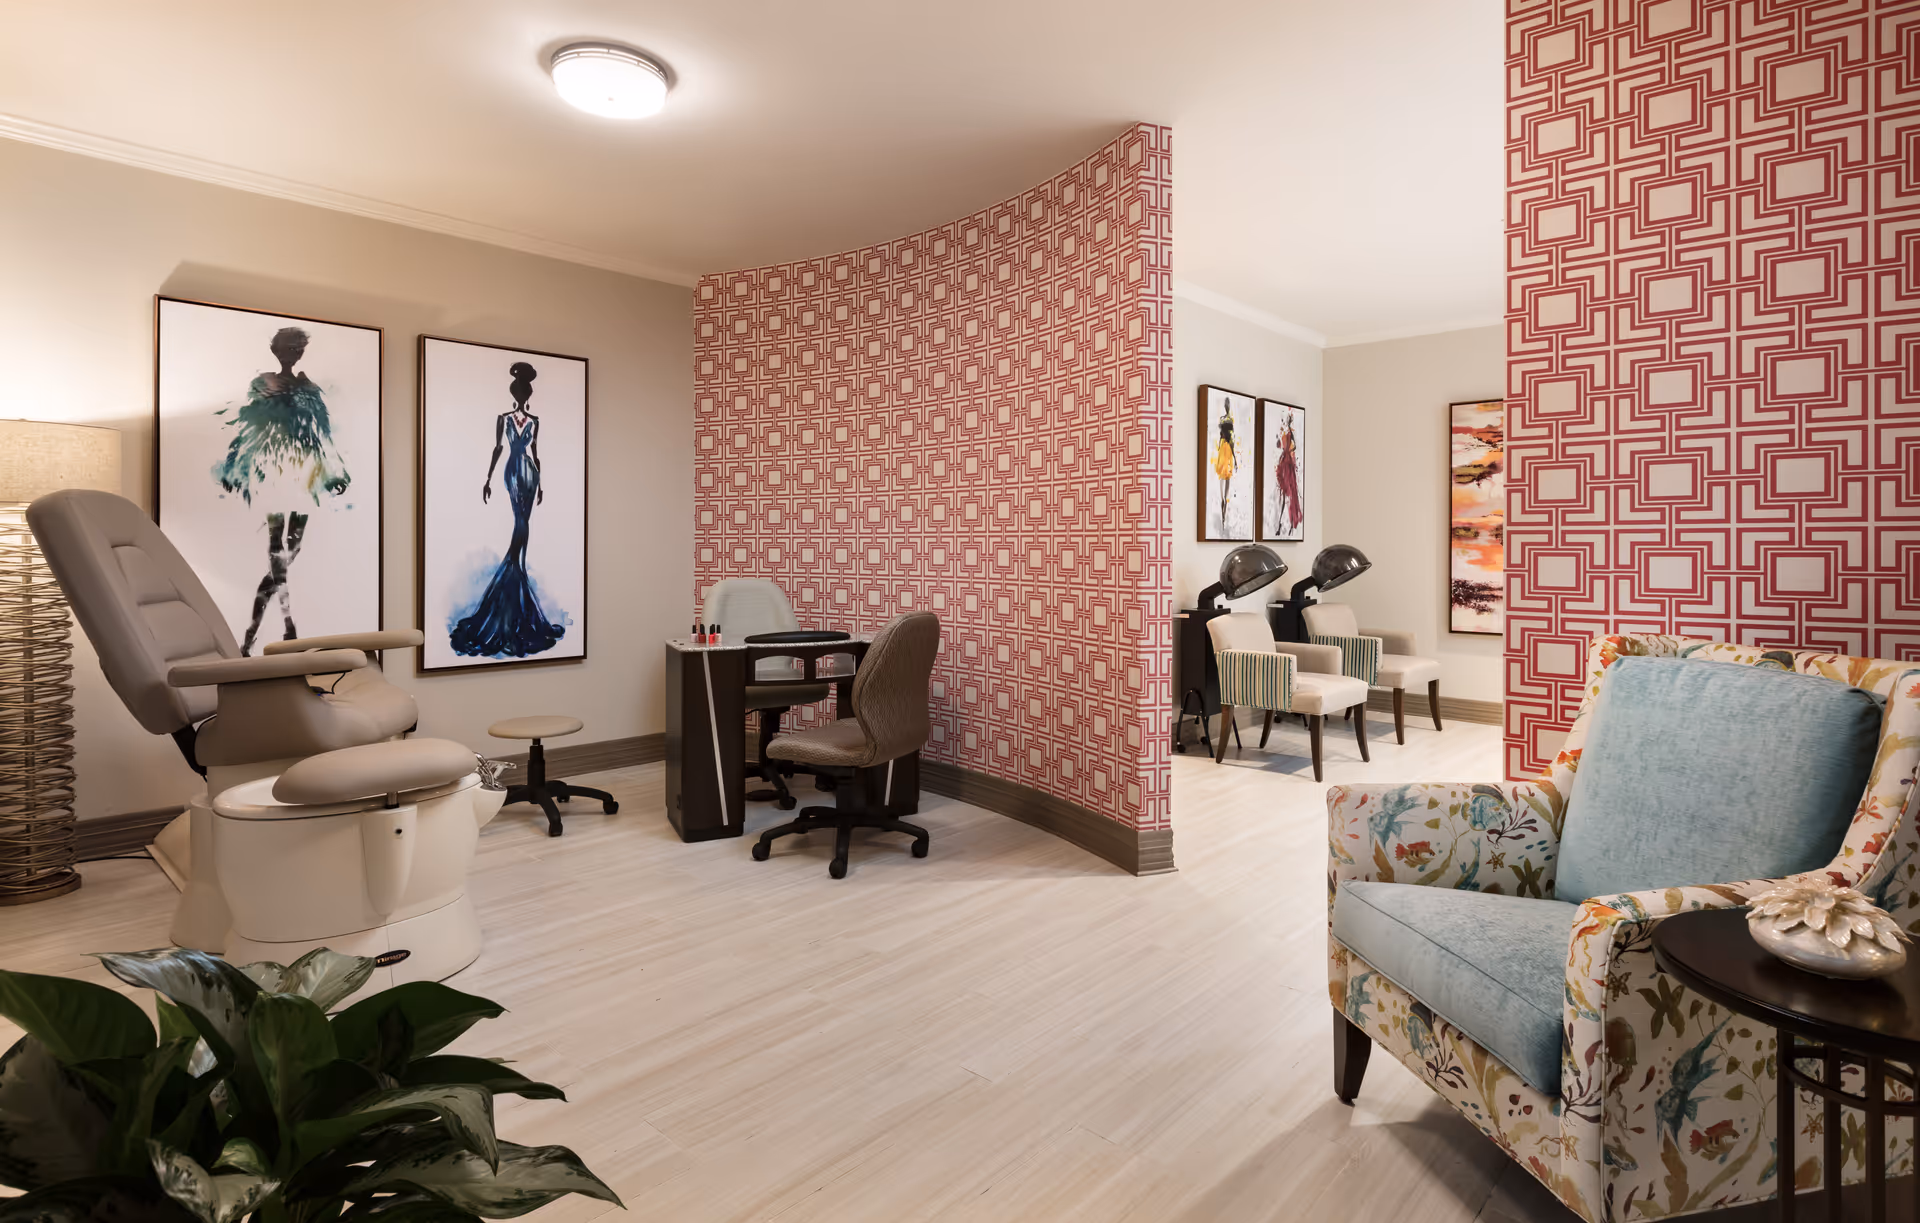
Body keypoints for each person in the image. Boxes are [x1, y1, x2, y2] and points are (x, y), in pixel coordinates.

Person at [211, 326, 350, 655]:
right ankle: (285, 627)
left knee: (289, 553)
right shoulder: (263, 383)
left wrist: (337, 468)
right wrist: (234, 464)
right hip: (274, 469)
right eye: (288, 348)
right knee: (278, 554)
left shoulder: (310, 388)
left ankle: (251, 632)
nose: (293, 354)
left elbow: (324, 433)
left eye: (297, 348)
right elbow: (248, 426)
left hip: (304, 473)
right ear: (277, 350)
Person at [449, 361, 565, 657]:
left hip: (528, 470)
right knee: (519, 521)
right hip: (513, 469)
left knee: (524, 522)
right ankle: (516, 567)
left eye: (525, 394)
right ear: (516, 394)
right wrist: (488, 477)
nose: (523, 398)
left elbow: (536, 454)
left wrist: (541, 484)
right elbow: (498, 448)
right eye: (521, 393)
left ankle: (517, 567)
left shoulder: (535, 421)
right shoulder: (504, 418)